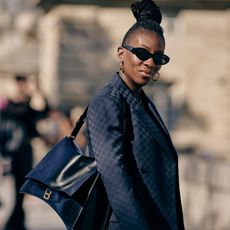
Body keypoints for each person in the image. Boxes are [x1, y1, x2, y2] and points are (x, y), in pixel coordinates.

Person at [86, 0, 185, 229]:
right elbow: (114, 176)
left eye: (158, 57)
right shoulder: (107, 102)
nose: (150, 63)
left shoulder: (142, 101)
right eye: (142, 53)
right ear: (121, 53)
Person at [0, 74, 49, 230]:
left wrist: (38, 93)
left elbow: (43, 113)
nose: (22, 87)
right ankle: (14, 221)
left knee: (22, 187)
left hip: (25, 151)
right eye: (19, 83)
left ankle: (16, 221)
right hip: (12, 152)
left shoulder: (29, 105)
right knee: (15, 188)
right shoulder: (9, 105)